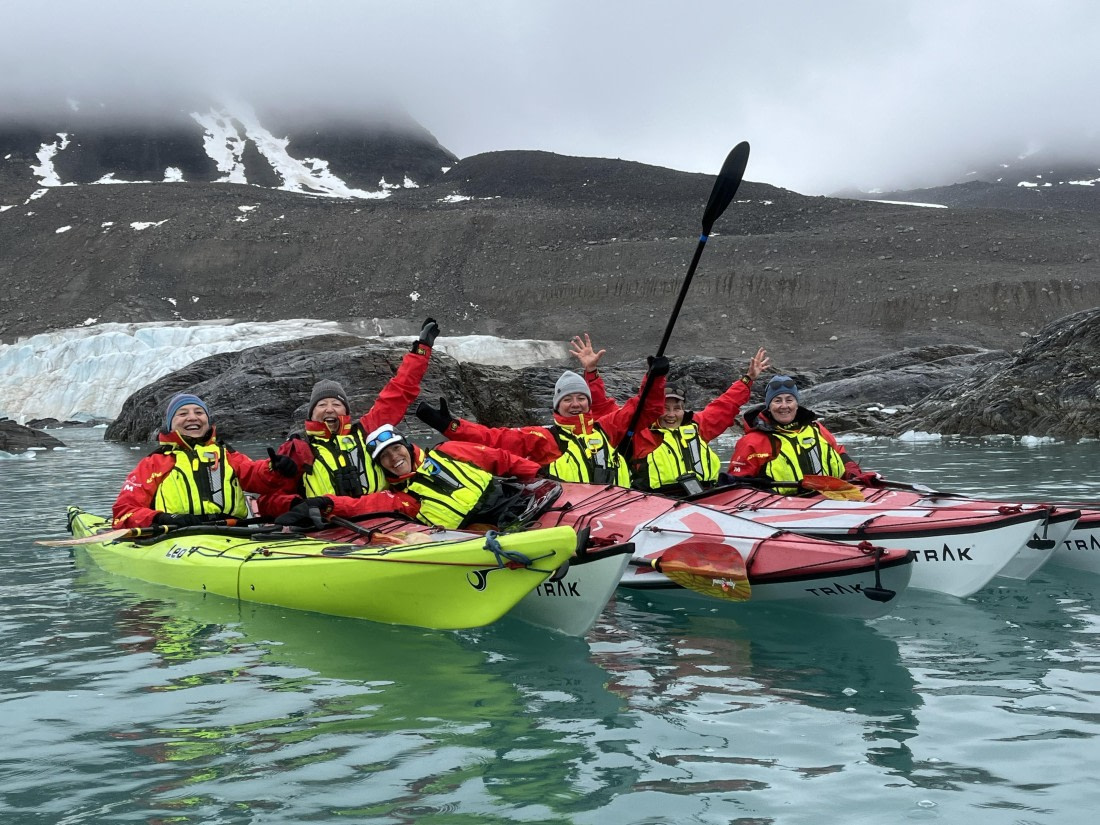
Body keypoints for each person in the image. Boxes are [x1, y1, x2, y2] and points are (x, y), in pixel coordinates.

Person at [258, 317, 440, 521]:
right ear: (311, 414)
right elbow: (267, 500)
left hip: (385, 519)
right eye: (322, 405)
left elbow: (400, 391)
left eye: (336, 405)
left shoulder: (367, 431)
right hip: (331, 528)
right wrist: (297, 505)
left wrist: (422, 350)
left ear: (346, 412)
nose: (330, 410)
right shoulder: (300, 451)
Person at [415, 353, 670, 487]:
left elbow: (645, 408)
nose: (576, 404)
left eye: (581, 398)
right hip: (573, 514)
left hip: (619, 506)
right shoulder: (544, 438)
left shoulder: (607, 429)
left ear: (589, 402)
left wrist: (655, 378)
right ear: (557, 405)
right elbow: (493, 439)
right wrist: (451, 426)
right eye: (568, 399)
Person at [569, 333, 770, 495]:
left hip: (704, 496)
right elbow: (602, 408)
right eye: (665, 409)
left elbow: (726, 404)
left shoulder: (698, 426)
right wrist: (591, 371)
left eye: (677, 408)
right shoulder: (638, 431)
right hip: (657, 501)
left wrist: (748, 379)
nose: (671, 415)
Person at [288, 424, 544, 530]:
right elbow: (361, 505)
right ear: (381, 466)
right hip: (477, 532)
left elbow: (500, 459)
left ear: (407, 446)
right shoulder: (403, 498)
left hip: (512, 503)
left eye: (396, 448)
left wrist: (537, 473)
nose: (394, 458)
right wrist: (324, 503)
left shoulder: (447, 451)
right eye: (385, 457)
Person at [112, 393, 299, 529]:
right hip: (176, 534)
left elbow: (253, 473)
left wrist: (274, 468)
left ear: (207, 420)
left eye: (199, 412)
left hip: (232, 530)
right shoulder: (154, 463)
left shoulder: (226, 455)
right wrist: (161, 518)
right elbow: (124, 510)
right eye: (182, 414)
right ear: (170, 424)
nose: (192, 417)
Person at [726, 374, 879, 491]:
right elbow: (738, 485)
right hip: (781, 508)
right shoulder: (752, 441)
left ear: (797, 404)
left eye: (789, 400)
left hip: (829, 498)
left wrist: (854, 473)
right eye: (777, 401)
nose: (784, 406)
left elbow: (838, 452)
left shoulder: (816, 429)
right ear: (769, 406)